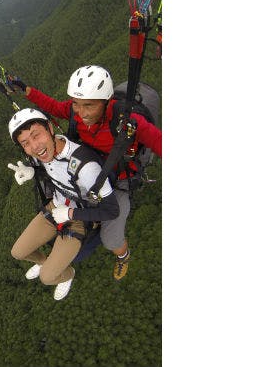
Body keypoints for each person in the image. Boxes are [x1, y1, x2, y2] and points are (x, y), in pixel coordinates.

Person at [9, 65, 162, 280]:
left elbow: (159, 142)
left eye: (89, 105)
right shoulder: (76, 113)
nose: (82, 112)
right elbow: (53, 107)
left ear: (106, 101)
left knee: (111, 238)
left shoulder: (127, 123)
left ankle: (123, 255)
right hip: (84, 169)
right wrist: (26, 90)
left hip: (118, 180)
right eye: (76, 104)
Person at [7, 108, 120, 300]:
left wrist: (70, 215)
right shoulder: (41, 154)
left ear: (50, 128)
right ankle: (45, 262)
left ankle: (67, 275)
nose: (34, 147)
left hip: (78, 218)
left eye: (36, 135)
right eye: (25, 143)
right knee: (18, 252)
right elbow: (53, 171)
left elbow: (112, 210)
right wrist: (33, 172)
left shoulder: (86, 166)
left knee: (47, 277)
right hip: (55, 207)